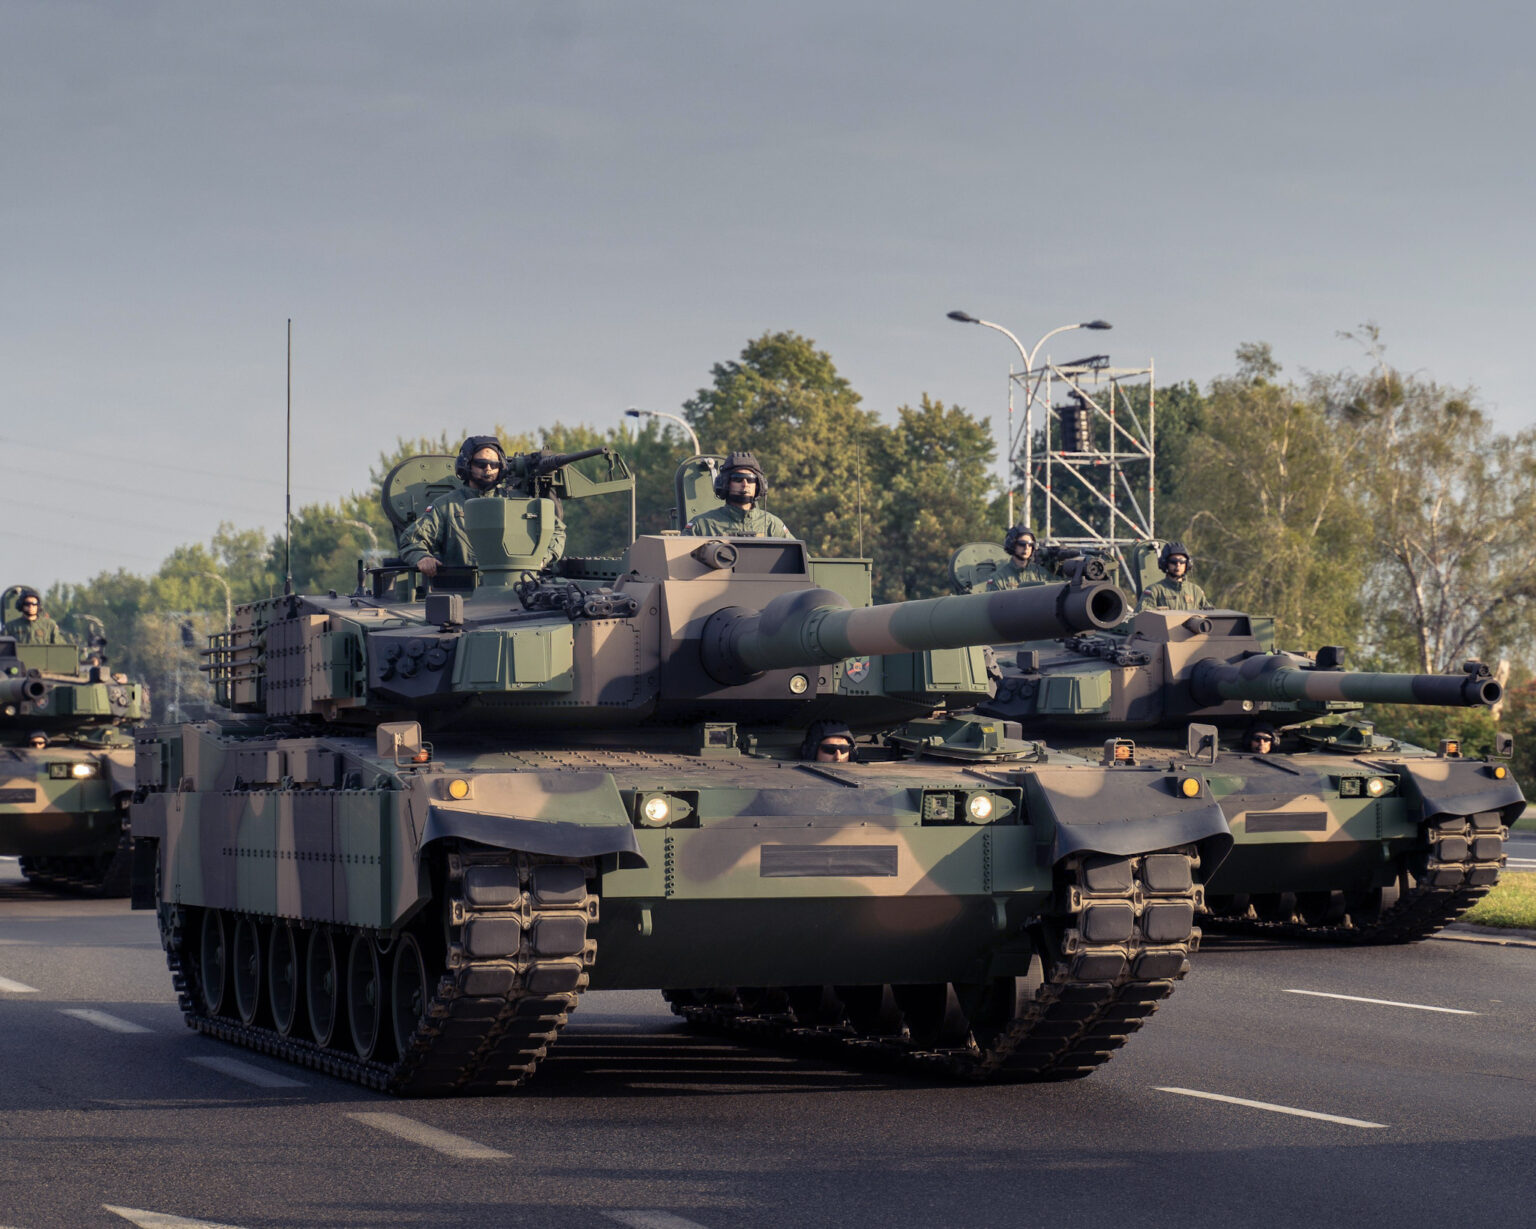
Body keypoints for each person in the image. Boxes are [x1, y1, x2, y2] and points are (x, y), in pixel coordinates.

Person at [397, 436, 565, 577]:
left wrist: (543, 557)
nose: (488, 469)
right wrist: (423, 557)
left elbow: (557, 531)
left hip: (515, 591)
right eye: (481, 464)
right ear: (467, 464)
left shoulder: (519, 502)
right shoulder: (447, 505)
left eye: (495, 465)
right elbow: (411, 541)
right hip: (462, 592)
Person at [686, 451, 792, 539]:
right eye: (738, 479)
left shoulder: (772, 525)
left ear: (760, 486)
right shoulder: (702, 525)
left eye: (750, 479)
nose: (745, 484)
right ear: (724, 484)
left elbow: (805, 560)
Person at [1137, 541, 1213, 612]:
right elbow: (1141, 614)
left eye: (1182, 561)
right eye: (1173, 561)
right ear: (1165, 563)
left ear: (1188, 564)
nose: (1178, 565)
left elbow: (1210, 615)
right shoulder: (1154, 591)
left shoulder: (1196, 591)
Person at [987, 524, 1055, 590]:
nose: (1026, 548)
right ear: (1012, 545)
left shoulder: (1042, 574)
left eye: (1030, 544)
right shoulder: (998, 578)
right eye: (1022, 543)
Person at [4, 589, 70, 645]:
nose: (31, 607)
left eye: (34, 604)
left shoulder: (49, 625)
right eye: (27, 604)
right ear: (21, 605)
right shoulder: (11, 627)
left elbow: (61, 647)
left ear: (38, 606)